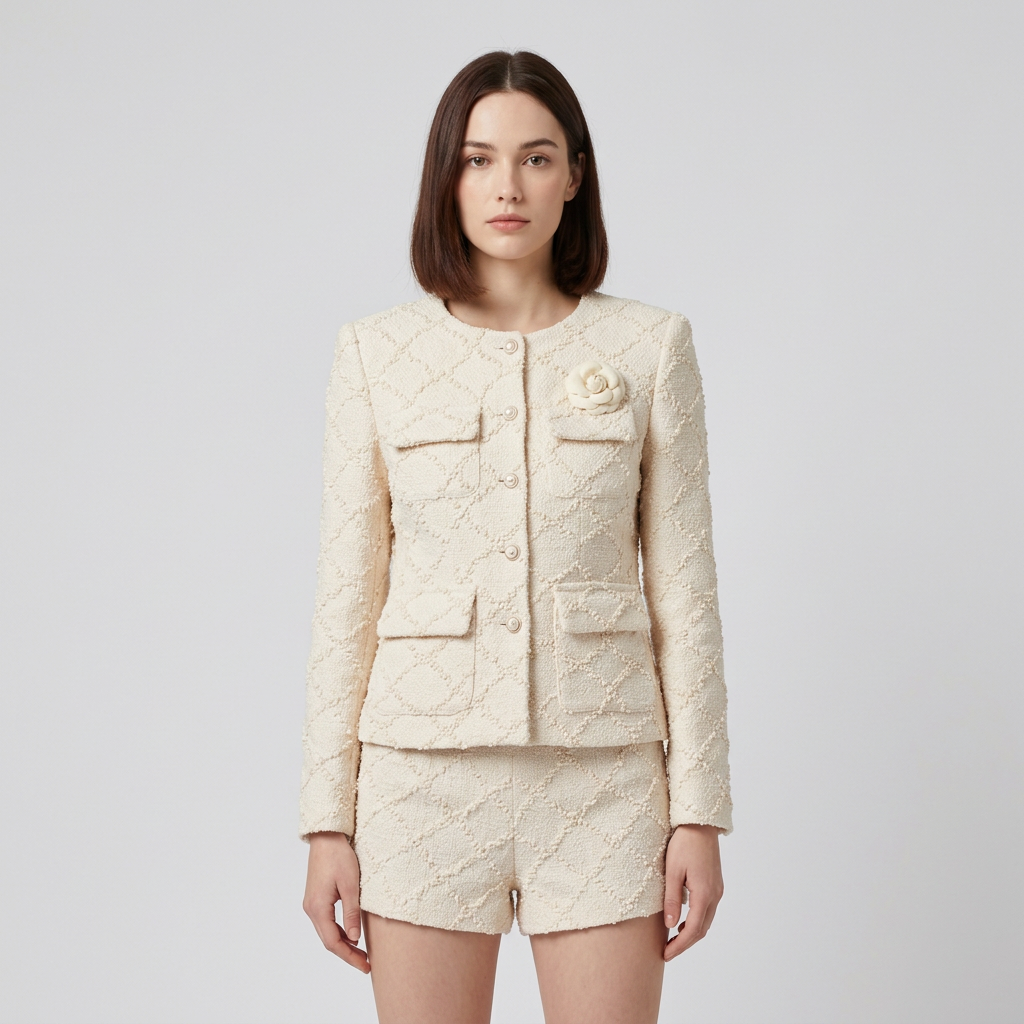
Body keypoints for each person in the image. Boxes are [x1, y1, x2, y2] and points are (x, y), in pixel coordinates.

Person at [299, 49, 732, 1024]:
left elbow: (686, 595)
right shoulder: (375, 354)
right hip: (419, 781)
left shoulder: (650, 347)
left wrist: (699, 810)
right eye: (478, 160)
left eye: (536, 158)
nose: (507, 187)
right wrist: (327, 820)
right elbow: (345, 597)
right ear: (445, 178)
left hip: (606, 783)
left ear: (574, 176)